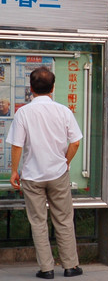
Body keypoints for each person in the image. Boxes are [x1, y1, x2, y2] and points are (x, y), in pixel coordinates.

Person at [7, 66, 83, 279]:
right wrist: (65, 161)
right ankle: (70, 266)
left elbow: (17, 145)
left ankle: (46, 269)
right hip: (58, 174)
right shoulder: (63, 111)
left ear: (31, 88)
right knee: (64, 220)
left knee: (38, 222)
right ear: (52, 88)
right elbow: (75, 142)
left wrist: (15, 171)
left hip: (32, 176)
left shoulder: (23, 112)